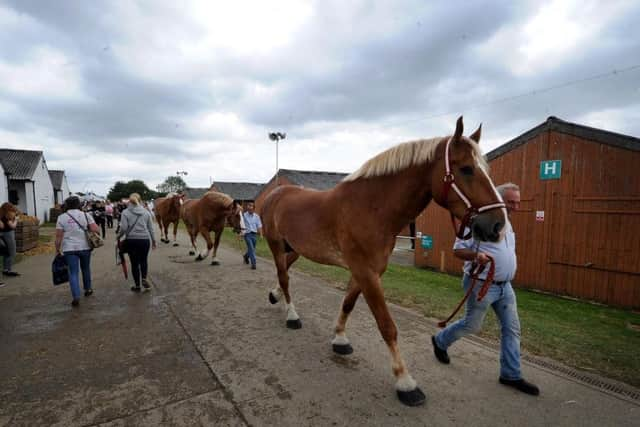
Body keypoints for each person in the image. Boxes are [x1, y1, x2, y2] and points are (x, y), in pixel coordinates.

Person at [431, 183, 539, 396]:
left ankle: (511, 374)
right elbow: (458, 250)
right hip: (482, 284)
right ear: (498, 200)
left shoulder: (508, 224)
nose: (515, 207)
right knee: (472, 325)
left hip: (505, 287)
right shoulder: (477, 222)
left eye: (518, 202)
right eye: (511, 202)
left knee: (512, 329)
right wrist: (476, 256)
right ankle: (440, 341)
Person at [55, 196, 99, 307]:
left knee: (73, 272)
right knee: (85, 268)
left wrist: (57, 249)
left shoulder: (62, 217)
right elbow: (95, 229)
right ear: (79, 204)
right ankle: (88, 289)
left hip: (69, 248)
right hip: (84, 247)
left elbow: (58, 237)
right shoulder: (86, 215)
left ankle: (76, 296)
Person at [117, 193, 156, 292]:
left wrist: (119, 236)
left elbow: (124, 228)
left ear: (129, 201)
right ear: (140, 200)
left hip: (132, 240)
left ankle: (137, 285)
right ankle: (144, 278)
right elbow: (151, 228)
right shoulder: (146, 212)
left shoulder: (125, 212)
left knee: (134, 263)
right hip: (144, 240)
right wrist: (154, 240)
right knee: (144, 260)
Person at [0, 202, 20, 279]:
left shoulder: (1, 216)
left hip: (2, 235)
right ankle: (8, 270)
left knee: (6, 253)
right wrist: (16, 220)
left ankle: (5, 270)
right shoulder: (6, 217)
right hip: (8, 234)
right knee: (12, 252)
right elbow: (12, 226)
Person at [241, 202, 262, 270]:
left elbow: (259, 226)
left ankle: (246, 256)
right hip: (247, 234)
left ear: (253, 209)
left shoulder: (257, 216)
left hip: (254, 235)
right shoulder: (244, 215)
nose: (249, 209)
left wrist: (261, 234)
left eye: (251, 208)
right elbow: (241, 225)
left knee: (252, 249)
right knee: (251, 249)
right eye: (248, 208)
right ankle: (254, 264)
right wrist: (241, 234)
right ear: (247, 208)